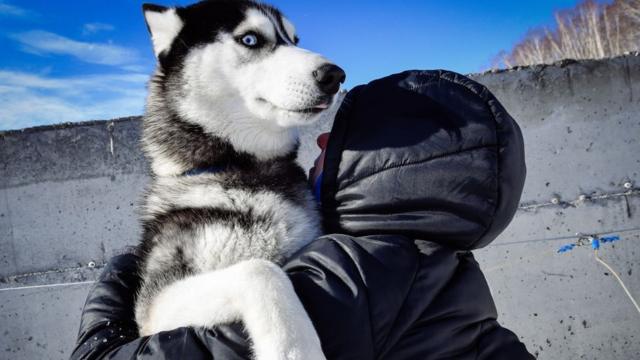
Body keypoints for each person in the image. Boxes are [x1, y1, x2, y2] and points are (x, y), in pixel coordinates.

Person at [70, 70, 535, 359]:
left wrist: (125, 275)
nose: (320, 143)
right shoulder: (445, 271)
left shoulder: (349, 279)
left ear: (394, 164)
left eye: (347, 140)